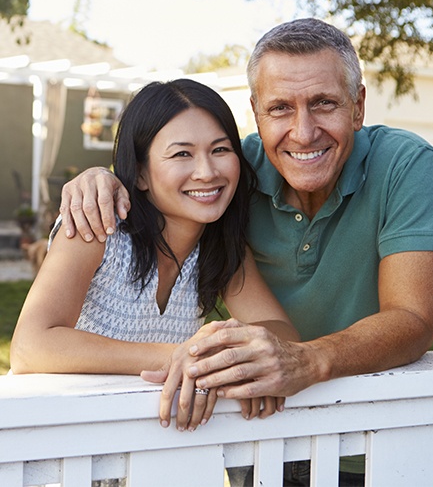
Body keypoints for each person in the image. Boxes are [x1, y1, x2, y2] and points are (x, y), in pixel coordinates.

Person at [57, 19, 433, 485]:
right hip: (262, 435)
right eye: (281, 108)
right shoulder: (231, 173)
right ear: (256, 112)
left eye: (324, 103)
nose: (304, 132)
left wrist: (305, 361)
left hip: (373, 443)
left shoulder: (405, 164)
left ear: (358, 106)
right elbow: (166, 172)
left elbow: (412, 319)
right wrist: (101, 178)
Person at [10, 78, 299, 433]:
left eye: (220, 150)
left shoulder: (222, 248)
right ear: (142, 173)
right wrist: (184, 356)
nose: (207, 172)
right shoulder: (98, 227)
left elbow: (285, 335)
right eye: (182, 154)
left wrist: (219, 347)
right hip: (59, 440)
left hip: (151, 447)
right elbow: (30, 346)